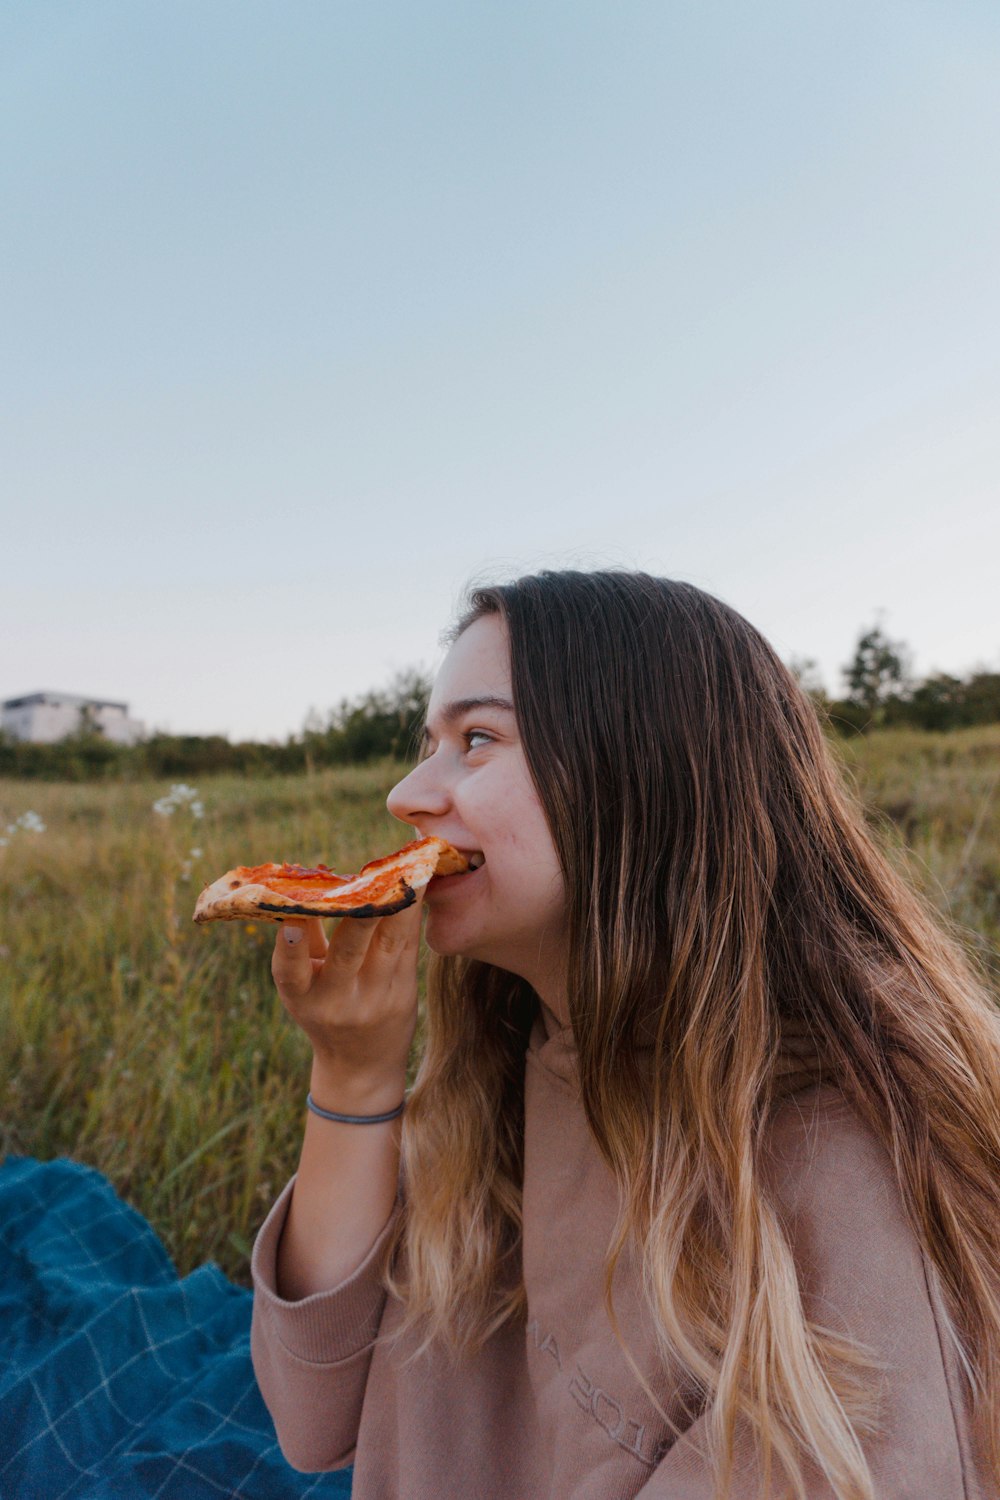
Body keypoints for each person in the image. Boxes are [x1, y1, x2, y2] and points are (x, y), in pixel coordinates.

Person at [251, 570, 1000, 1500]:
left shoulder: (838, 1162)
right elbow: (310, 1416)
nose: (408, 793)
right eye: (427, 743)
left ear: (642, 770)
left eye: (476, 739)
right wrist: (355, 1074)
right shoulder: (513, 1042)